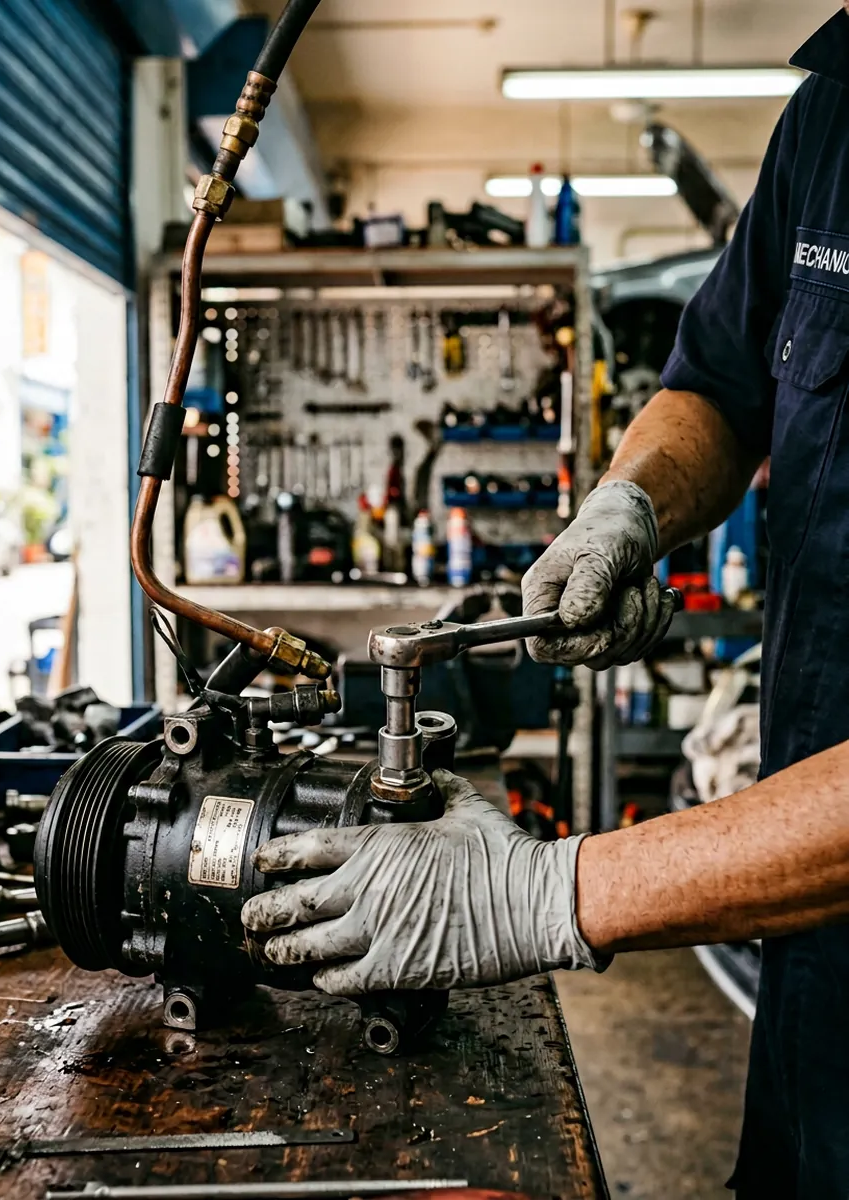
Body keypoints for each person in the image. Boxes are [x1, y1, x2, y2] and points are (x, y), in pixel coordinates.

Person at [242, 8, 849, 1197]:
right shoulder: (832, 114)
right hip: (811, 952)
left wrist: (548, 889)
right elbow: (718, 383)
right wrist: (629, 505)